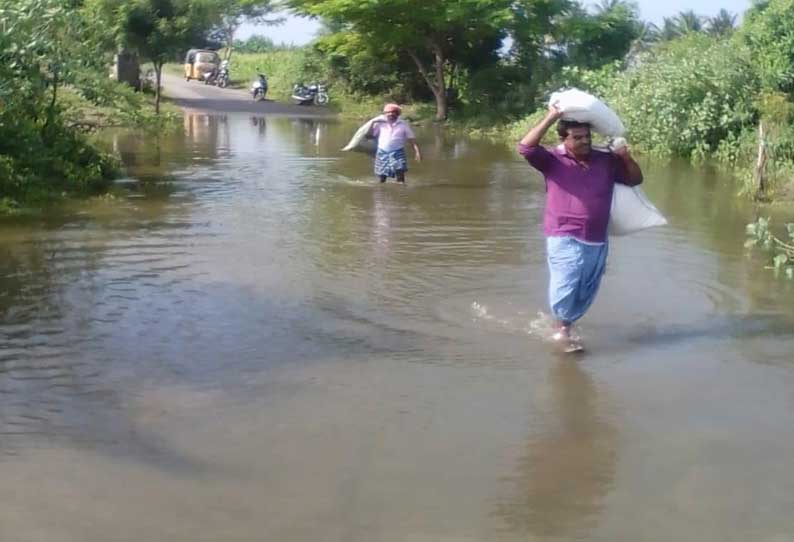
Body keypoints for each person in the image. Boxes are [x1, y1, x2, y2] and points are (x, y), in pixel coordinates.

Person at [517, 104, 643, 351]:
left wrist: (626, 158)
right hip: (563, 233)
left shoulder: (605, 160)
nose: (585, 141)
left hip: (597, 238)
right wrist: (551, 116)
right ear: (564, 139)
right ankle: (562, 331)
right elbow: (525, 147)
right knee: (568, 277)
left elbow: (635, 179)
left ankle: (564, 323)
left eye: (587, 137)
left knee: (586, 288)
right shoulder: (552, 159)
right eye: (577, 138)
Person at [371, 103, 421, 183]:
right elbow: (370, 135)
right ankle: (381, 191)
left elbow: (412, 139)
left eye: (393, 112)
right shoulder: (379, 123)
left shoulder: (403, 124)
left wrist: (417, 152)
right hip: (382, 152)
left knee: (400, 173)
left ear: (397, 113)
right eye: (388, 112)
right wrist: (372, 123)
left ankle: (401, 193)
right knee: (382, 177)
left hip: (397, 151)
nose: (390, 114)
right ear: (385, 113)